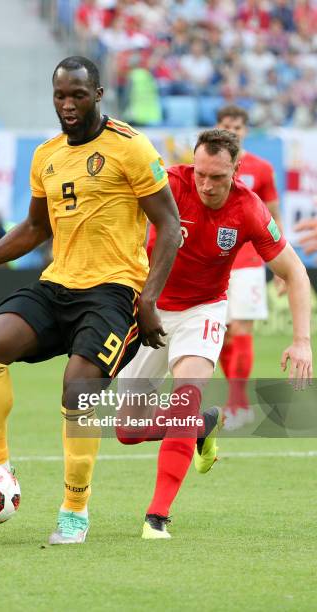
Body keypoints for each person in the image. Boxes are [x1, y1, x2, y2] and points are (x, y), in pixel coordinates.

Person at [0, 56, 181, 545]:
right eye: (60, 96)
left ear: (99, 94)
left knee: (77, 390)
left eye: (78, 95)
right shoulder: (46, 154)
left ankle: (74, 510)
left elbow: (170, 227)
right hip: (57, 285)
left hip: (114, 291)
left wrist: (149, 300)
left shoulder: (130, 147)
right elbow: (34, 228)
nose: (68, 105)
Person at [116, 129, 313, 539]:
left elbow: (294, 272)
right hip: (149, 308)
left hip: (203, 310)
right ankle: (201, 425)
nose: (206, 184)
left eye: (218, 177)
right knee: (127, 430)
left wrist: (302, 341)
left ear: (237, 171)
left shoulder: (249, 209)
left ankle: (157, 516)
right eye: (201, 173)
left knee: (186, 395)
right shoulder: (168, 183)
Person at [216, 105, 285, 429]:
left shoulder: (262, 168)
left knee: (242, 329)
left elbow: (273, 217)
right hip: (214, 262)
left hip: (248, 261)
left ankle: (236, 403)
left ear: (245, 130)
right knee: (223, 335)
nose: (232, 131)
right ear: (218, 127)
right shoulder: (209, 167)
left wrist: (283, 267)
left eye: (238, 126)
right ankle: (237, 400)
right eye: (226, 125)